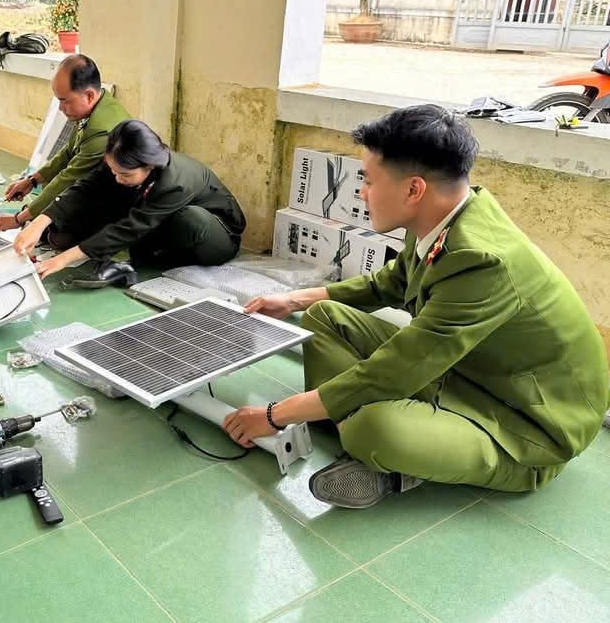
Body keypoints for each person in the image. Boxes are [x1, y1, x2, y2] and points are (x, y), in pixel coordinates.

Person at [222, 104, 610, 508]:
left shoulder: (482, 262)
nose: (361, 192)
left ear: (413, 189)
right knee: (323, 316)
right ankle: (375, 436)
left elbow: (393, 371)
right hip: (465, 373)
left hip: (525, 421)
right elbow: (390, 282)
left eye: (369, 180)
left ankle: (392, 460)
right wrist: (293, 299)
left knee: (370, 429)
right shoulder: (444, 218)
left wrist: (272, 416)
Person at [13, 119, 247, 285]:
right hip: (161, 221)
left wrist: (62, 260)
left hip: (216, 236)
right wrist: (40, 221)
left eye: (125, 174)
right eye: (114, 171)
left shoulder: (175, 183)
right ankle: (134, 252)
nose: (117, 177)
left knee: (188, 220)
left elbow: (128, 229)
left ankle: (144, 256)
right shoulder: (121, 158)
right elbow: (86, 188)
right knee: (100, 202)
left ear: (150, 164)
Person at [0, 54, 130, 235]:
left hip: (114, 203)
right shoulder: (99, 103)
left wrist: (19, 218)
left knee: (59, 230)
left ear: (88, 95)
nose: (60, 108)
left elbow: (67, 179)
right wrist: (32, 180)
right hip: (94, 187)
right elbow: (68, 151)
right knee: (50, 220)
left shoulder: (101, 134)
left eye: (64, 100)